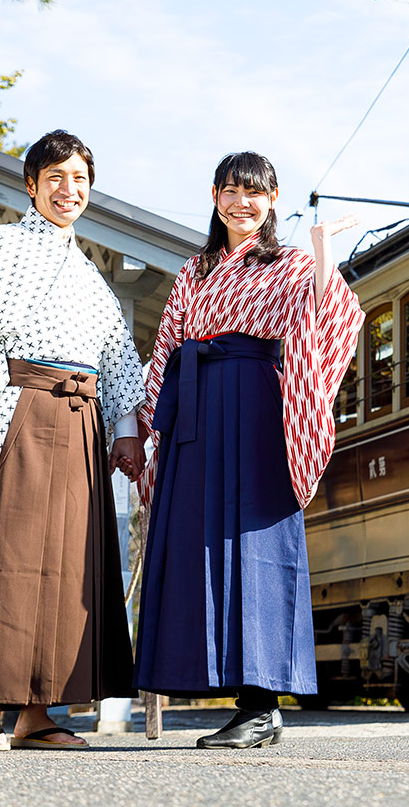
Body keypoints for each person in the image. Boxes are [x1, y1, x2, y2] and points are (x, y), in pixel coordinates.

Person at [132, 151, 363, 749]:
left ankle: (261, 704)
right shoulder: (195, 270)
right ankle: (229, 693)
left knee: (255, 545)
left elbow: (331, 316)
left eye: (255, 194)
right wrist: (145, 422)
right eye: (232, 192)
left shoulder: (291, 263)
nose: (243, 204)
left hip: (259, 408)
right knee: (196, 546)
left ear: (273, 199)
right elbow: (166, 345)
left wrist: (321, 254)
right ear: (215, 197)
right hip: (197, 410)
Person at [0, 130, 146, 751]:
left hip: (81, 426)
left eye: (80, 179)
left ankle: (39, 714)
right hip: (20, 408)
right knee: (9, 560)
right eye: (56, 177)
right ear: (31, 186)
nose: (69, 190)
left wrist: (126, 430)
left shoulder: (91, 274)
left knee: (69, 570)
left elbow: (119, 358)